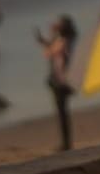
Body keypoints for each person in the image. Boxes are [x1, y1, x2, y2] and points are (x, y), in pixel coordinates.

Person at [36, 16, 77, 151]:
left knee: (62, 114)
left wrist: (51, 34)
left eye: (59, 24)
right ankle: (66, 143)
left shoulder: (63, 41)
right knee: (62, 114)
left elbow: (48, 53)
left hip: (60, 81)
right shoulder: (68, 40)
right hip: (63, 80)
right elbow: (51, 49)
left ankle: (66, 144)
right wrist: (46, 40)